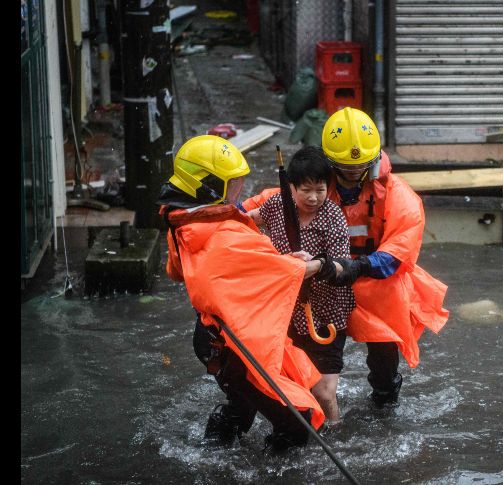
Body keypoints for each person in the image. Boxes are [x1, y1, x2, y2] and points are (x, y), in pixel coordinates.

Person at [244, 107, 450, 409]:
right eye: (345, 169)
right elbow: (258, 208)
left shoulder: (399, 196)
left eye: (360, 168)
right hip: (322, 288)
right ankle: (312, 406)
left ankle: (384, 401)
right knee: (308, 362)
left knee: (383, 361)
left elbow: (396, 256)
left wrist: (351, 267)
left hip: (377, 286)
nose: (353, 175)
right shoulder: (315, 188)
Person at [156, 134, 327, 451]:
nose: (240, 192)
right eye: (232, 184)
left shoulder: (184, 224)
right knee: (296, 420)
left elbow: (180, 272)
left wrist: (280, 263)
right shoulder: (224, 232)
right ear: (209, 185)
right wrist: (316, 265)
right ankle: (272, 470)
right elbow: (261, 268)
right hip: (233, 346)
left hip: (211, 337)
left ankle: (212, 456)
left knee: (242, 406)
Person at [246, 145, 354, 423]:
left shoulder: (333, 217)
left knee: (324, 392)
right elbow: (247, 221)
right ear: (291, 187)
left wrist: (310, 266)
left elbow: (342, 264)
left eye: (320, 189)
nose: (314, 197)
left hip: (326, 315)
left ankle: (334, 430)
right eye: (306, 189)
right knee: (292, 385)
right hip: (287, 312)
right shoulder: (276, 206)